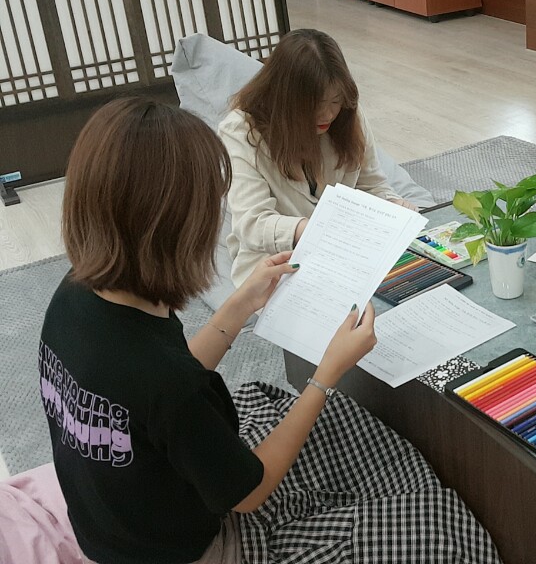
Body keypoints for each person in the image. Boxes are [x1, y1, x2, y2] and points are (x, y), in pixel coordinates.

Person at [40, 99, 500, 564]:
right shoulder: (166, 383)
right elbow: (249, 493)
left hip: (112, 526)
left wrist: (241, 303)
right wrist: (324, 376)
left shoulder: (75, 295)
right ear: (174, 226)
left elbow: (158, 393)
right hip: (189, 551)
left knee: (330, 429)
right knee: (440, 523)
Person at [219, 28, 418, 286]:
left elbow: (371, 185)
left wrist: (393, 206)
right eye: (313, 105)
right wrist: (315, 229)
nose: (327, 115)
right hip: (278, 262)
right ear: (284, 99)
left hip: (348, 250)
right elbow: (253, 224)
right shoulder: (242, 131)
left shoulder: (348, 115)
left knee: (415, 284)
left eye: (335, 101)